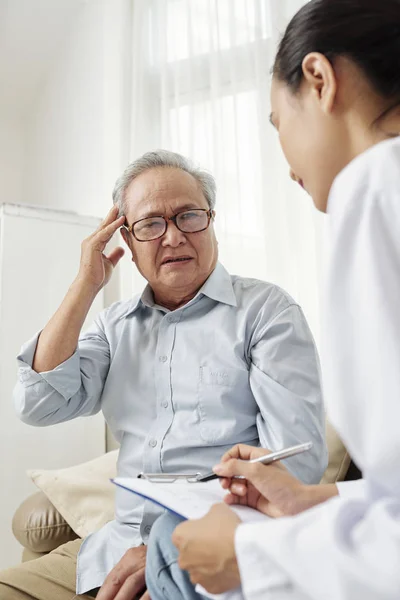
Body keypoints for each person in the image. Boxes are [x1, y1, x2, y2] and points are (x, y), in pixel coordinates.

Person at [145, 0, 400, 598]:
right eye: (150, 225)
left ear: (319, 79)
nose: (286, 168)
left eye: (276, 124)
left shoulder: (376, 186)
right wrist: (322, 498)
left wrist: (251, 554)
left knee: (169, 547)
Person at [0, 150, 326, 600]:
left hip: (210, 546)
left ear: (211, 221)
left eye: (188, 216)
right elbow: (37, 404)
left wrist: (169, 551)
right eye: (151, 225)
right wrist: (85, 284)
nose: (173, 237)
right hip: (113, 547)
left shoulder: (267, 313)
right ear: (127, 242)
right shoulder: (114, 327)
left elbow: (295, 468)